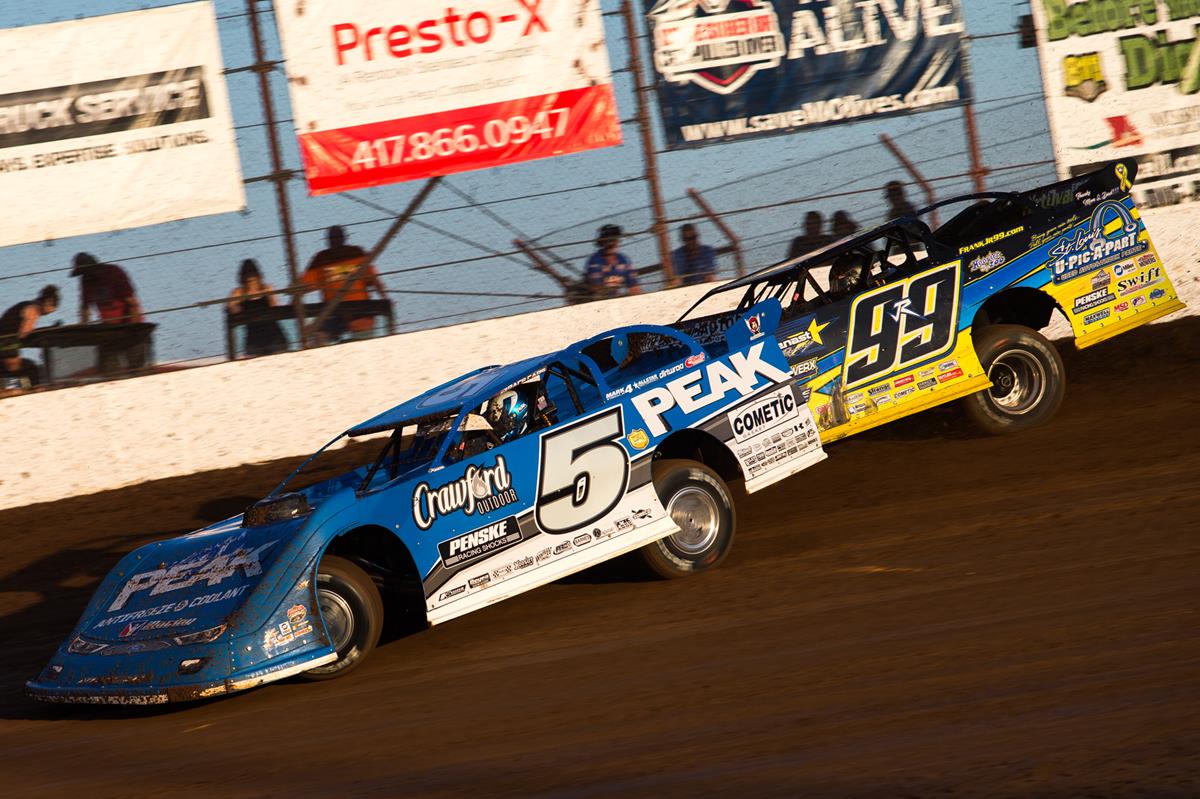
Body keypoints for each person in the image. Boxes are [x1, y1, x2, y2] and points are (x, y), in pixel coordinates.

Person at [300, 225, 388, 342]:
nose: (334, 241)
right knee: (316, 336)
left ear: (344, 238)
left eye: (337, 237)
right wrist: (296, 291)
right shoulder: (321, 258)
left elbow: (373, 279)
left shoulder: (356, 253)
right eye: (332, 238)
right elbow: (306, 285)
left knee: (364, 339)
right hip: (333, 311)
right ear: (328, 240)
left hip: (359, 310)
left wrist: (385, 299)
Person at [71, 252, 146, 373]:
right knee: (108, 370)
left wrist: (134, 329)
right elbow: (85, 308)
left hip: (129, 326)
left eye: (85, 272)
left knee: (136, 369)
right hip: (108, 330)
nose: (84, 276)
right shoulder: (86, 280)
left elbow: (132, 303)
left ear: (93, 267)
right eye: (82, 273)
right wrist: (83, 329)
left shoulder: (113, 272)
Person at [0, 284, 58, 390]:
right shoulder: (33, 309)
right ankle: (7, 386)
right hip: (6, 341)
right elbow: (24, 333)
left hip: (7, 340)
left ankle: (14, 386)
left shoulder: (26, 304)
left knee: (24, 372)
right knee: (22, 371)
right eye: (51, 309)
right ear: (48, 302)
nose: (49, 313)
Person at [227, 259, 289, 357]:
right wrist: (238, 298)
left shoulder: (267, 288)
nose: (250, 279)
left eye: (253, 275)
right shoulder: (239, 293)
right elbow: (232, 310)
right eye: (247, 275)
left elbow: (275, 308)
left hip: (275, 337)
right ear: (242, 278)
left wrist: (267, 293)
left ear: (258, 276)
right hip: (254, 341)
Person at [585, 224, 640, 299]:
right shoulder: (595, 261)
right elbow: (597, 289)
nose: (611, 243)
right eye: (608, 240)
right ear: (601, 243)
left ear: (618, 241)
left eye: (614, 239)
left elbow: (634, 287)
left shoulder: (624, 260)